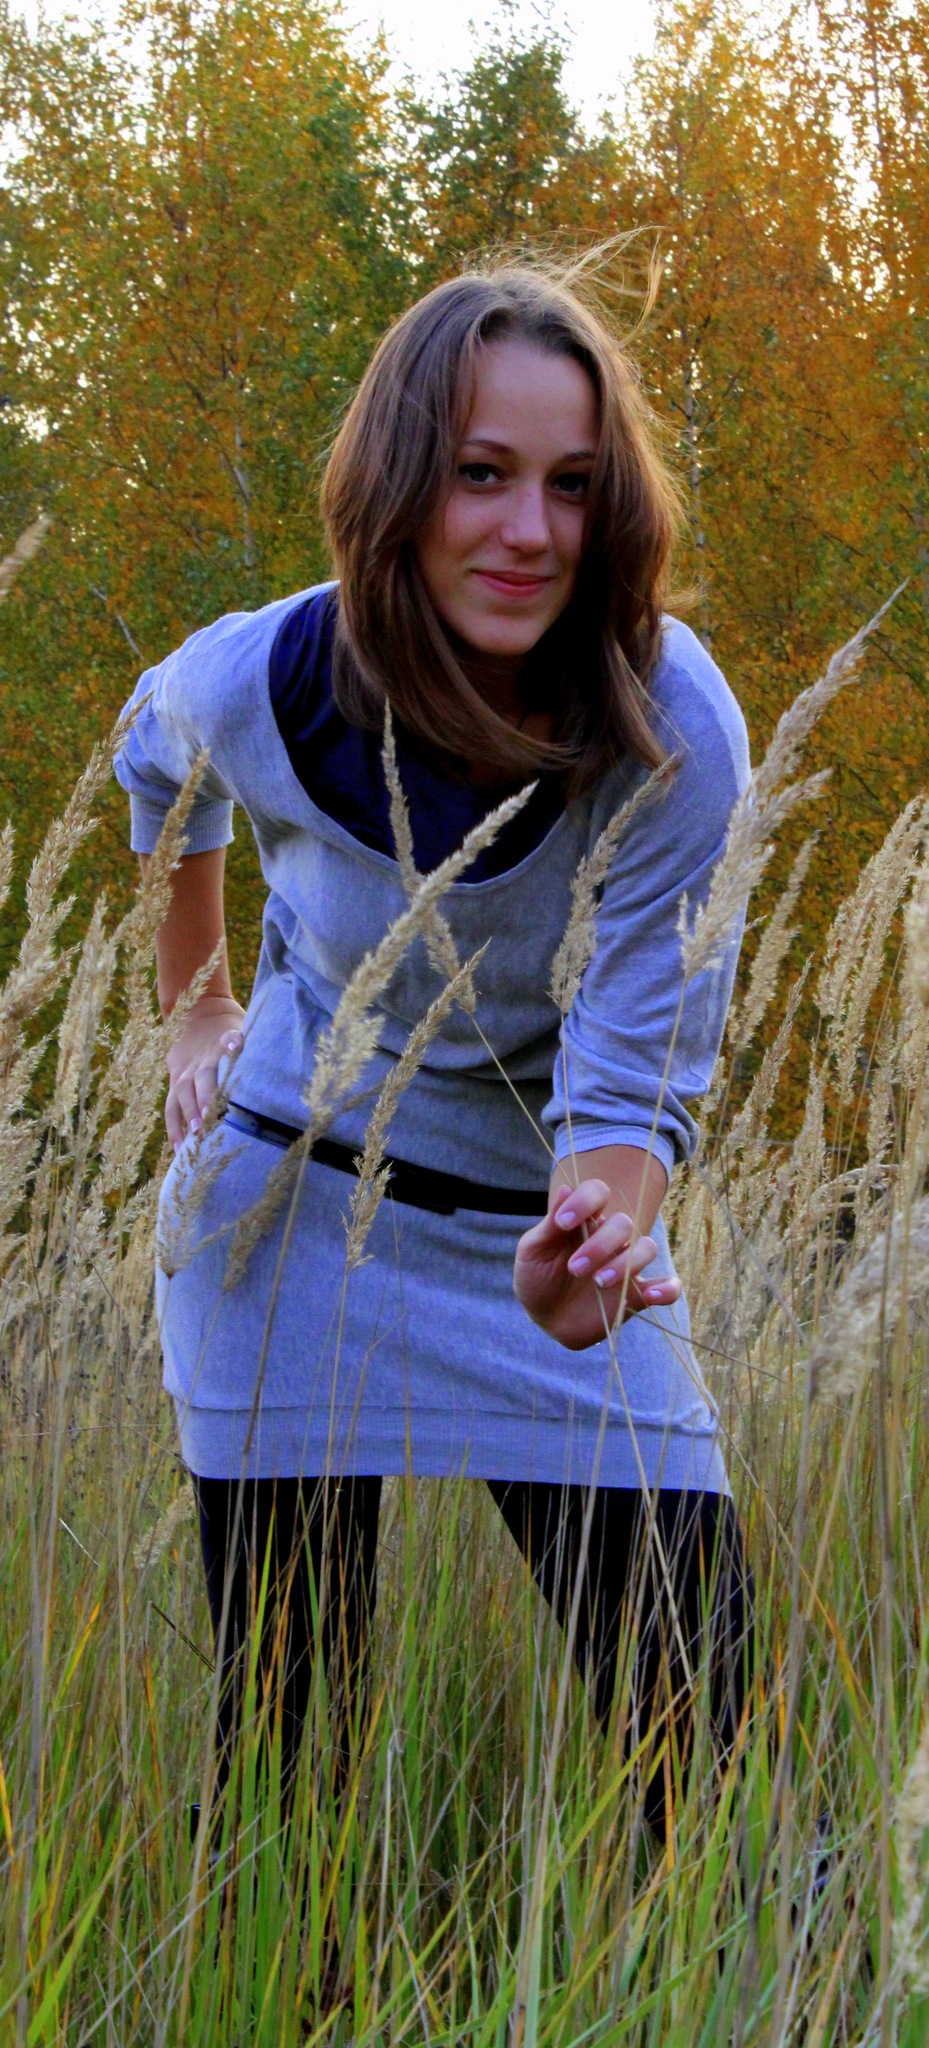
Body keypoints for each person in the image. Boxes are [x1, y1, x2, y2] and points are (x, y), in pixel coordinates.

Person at [115, 261, 754, 1844]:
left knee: (710, 1749)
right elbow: (154, 764)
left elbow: (632, 1072)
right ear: (396, 481)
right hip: (280, 1230)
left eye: (571, 484)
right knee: (289, 1780)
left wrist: (597, 1237)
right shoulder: (262, 677)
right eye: (479, 472)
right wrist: (198, 1008)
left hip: (528, 1240)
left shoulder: (666, 721)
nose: (528, 530)